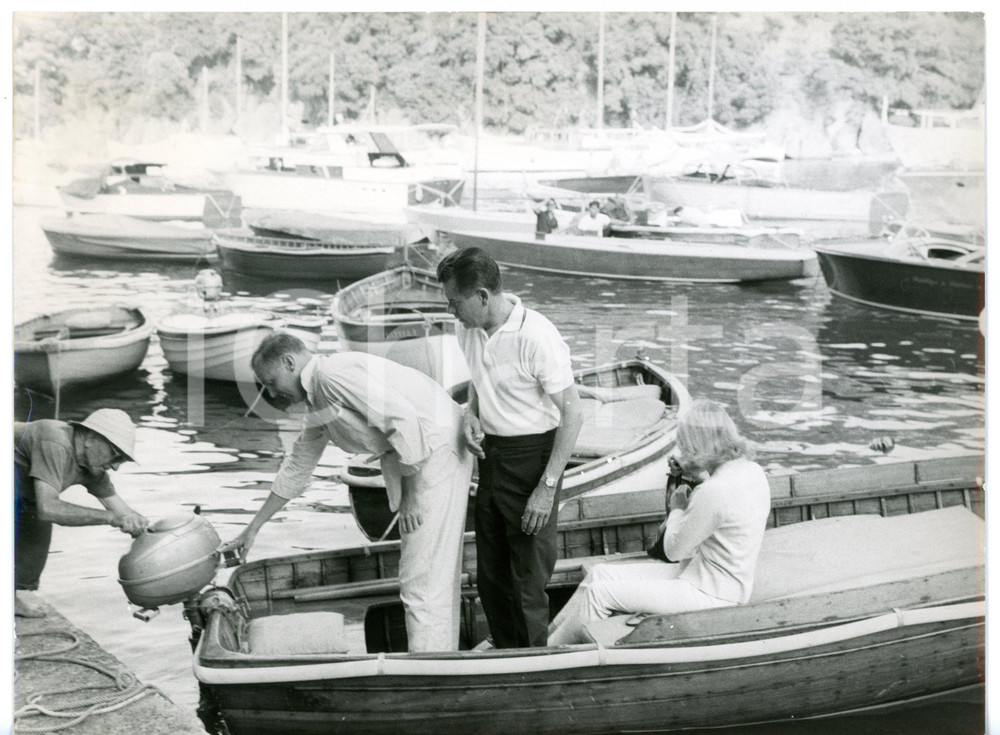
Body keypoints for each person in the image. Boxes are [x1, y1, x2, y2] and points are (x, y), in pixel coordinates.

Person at [220, 333, 474, 652]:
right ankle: (440, 658)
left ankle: (429, 669)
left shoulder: (332, 375)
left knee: (420, 581)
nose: (273, 393)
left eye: (271, 382)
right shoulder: (316, 400)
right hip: (422, 456)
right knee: (431, 575)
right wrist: (251, 531)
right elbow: (298, 465)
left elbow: (404, 422)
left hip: (435, 453)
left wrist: (410, 496)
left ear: (289, 362)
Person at [437, 248, 584, 648]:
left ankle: (533, 664)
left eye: (455, 303)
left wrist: (547, 486)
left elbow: (573, 414)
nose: (451, 311)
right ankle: (506, 653)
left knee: (527, 580)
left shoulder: (537, 335)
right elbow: (479, 377)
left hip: (534, 460)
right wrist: (472, 412)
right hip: (494, 458)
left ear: (483, 296)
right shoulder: (467, 328)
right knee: (491, 577)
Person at [548, 399, 771, 645]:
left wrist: (677, 509)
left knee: (599, 594)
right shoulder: (752, 471)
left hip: (709, 593)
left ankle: (558, 656)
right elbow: (724, 506)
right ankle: (546, 639)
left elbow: (673, 552)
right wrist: (699, 475)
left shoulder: (713, 491)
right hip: (719, 581)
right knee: (600, 575)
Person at [14, 408, 148, 618]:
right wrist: (112, 519)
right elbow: (49, 508)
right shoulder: (55, 440)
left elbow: (122, 511)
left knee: (35, 538)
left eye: (121, 460)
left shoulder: (93, 467)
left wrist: (147, 530)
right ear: (90, 438)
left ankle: (13, 597)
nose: (115, 467)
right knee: (38, 514)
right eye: (115, 454)